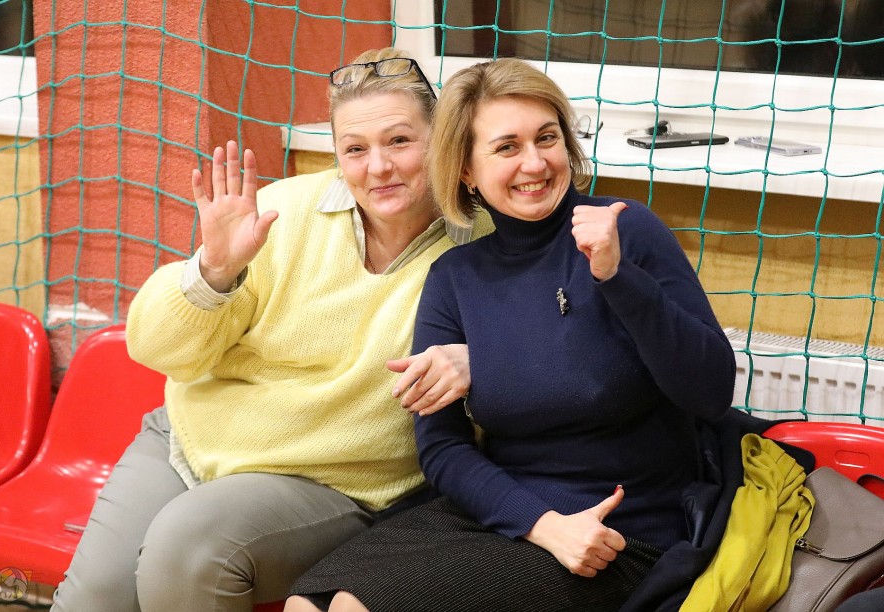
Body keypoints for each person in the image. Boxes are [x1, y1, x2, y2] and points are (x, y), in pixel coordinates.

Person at [286, 57, 738, 612]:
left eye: (546, 138)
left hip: (617, 527)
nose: (535, 163)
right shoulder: (456, 276)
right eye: (506, 147)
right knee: (308, 604)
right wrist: (539, 523)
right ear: (466, 171)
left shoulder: (626, 229)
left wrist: (617, 277)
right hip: (505, 512)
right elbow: (443, 448)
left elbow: (711, 393)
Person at [49, 47, 491, 612]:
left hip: (333, 483)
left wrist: (483, 362)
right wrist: (213, 271)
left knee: (189, 550)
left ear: (441, 138)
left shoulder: (484, 243)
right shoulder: (281, 211)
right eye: (355, 149)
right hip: (189, 444)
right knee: (92, 600)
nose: (378, 167)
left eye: (399, 141)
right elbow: (157, 351)